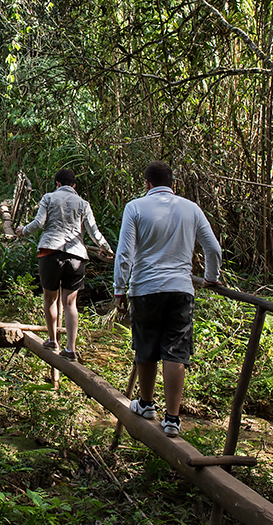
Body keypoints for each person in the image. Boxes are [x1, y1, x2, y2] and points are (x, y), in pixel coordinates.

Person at [113, 161, 221, 438]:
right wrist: (211, 277)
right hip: (181, 288)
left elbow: (124, 253)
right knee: (175, 351)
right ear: (172, 183)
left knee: (145, 345)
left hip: (145, 288)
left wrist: (119, 289)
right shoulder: (191, 208)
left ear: (147, 183)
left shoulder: (135, 207)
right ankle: (172, 419)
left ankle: (147, 404)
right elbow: (213, 247)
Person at [15, 169, 113, 361]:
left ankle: (52, 340)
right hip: (76, 256)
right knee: (70, 303)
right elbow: (94, 231)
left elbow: (39, 222)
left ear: (57, 183)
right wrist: (106, 248)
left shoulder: (48, 198)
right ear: (74, 185)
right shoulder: (84, 204)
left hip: (50, 253)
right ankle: (71, 349)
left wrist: (22, 231)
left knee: (50, 299)